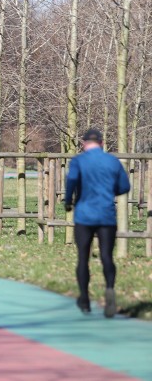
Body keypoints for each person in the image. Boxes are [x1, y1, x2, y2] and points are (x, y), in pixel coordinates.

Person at [64, 128, 130, 318]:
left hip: (84, 215)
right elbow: (124, 186)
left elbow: (72, 182)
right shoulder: (112, 161)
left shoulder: (78, 161)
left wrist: (68, 201)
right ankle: (109, 288)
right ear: (101, 143)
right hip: (107, 215)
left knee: (83, 258)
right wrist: (109, 191)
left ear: (84, 143)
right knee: (106, 256)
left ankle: (84, 299)